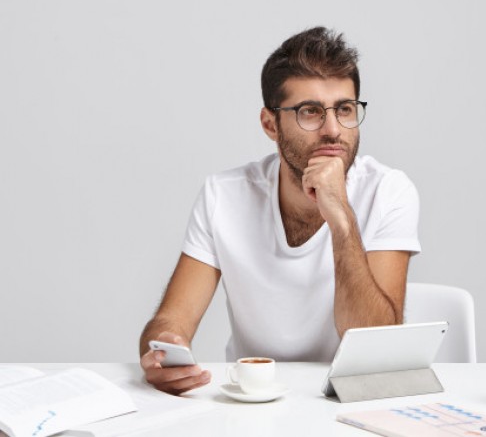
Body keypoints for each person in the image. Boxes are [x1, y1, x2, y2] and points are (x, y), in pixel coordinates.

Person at [139, 26, 421, 395]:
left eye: (345, 110)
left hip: (347, 400)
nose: (333, 130)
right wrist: (163, 349)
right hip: (252, 399)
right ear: (270, 124)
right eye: (310, 112)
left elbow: (378, 349)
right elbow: (170, 321)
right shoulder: (224, 196)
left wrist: (341, 219)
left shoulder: (388, 191)